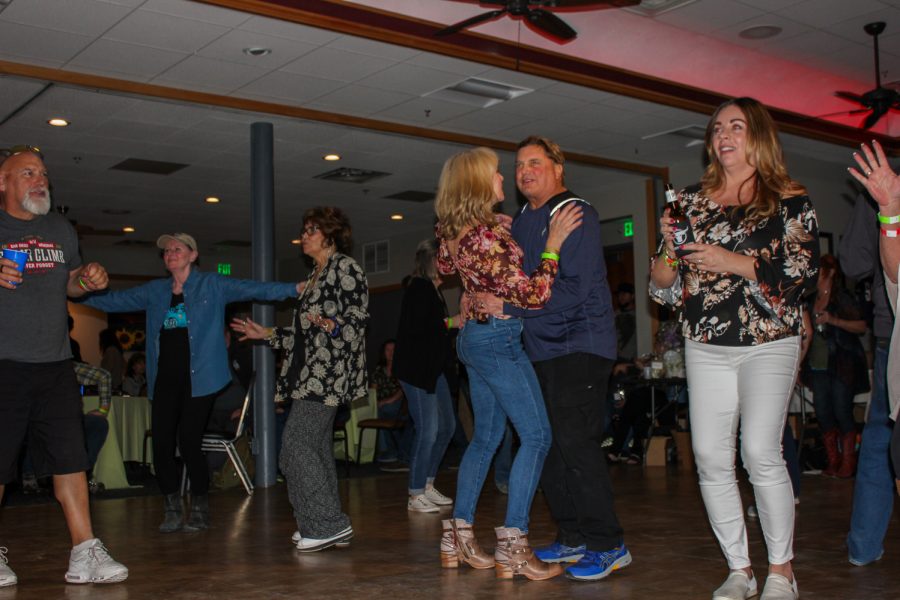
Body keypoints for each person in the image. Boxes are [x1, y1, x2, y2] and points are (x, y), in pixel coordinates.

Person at [650, 97, 819, 600]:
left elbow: (801, 275)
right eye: (718, 128)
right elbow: (661, 285)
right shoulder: (690, 201)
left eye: (737, 126)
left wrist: (733, 261)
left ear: (759, 135)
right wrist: (664, 244)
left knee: (761, 450)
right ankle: (740, 569)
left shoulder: (789, 198)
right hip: (705, 341)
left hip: (769, 339)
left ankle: (782, 572)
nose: (724, 135)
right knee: (708, 455)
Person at [476, 135, 630, 582]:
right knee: (548, 444)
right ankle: (574, 534)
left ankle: (609, 543)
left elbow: (572, 290)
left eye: (535, 163)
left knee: (577, 444)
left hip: (579, 344)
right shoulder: (526, 218)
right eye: (520, 164)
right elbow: (518, 277)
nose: (525, 171)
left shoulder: (574, 212)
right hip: (541, 350)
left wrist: (510, 308)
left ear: (558, 168)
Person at [82, 232, 303, 534]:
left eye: (177, 249)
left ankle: (199, 506)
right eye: (166, 251)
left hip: (200, 380)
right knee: (161, 445)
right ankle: (172, 506)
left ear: (193, 255)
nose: (170, 254)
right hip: (165, 380)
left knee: (188, 442)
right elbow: (114, 300)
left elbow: (253, 287)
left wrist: (294, 288)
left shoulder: (211, 284)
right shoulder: (156, 291)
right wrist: (72, 289)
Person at [434, 146, 582, 581]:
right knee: (536, 436)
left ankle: (457, 536)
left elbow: (446, 263)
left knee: (487, 438)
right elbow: (534, 294)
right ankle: (514, 545)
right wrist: (552, 246)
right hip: (498, 340)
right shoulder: (488, 236)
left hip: (474, 340)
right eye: (497, 173)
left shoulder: (459, 230)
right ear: (479, 184)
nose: (506, 179)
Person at [0, 145, 127, 587]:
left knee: (71, 458)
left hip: (55, 363)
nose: (40, 181)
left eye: (44, 174)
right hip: (4, 362)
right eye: (28, 173)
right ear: (3, 182)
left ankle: (84, 551)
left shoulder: (60, 229)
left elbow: (70, 285)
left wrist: (87, 278)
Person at [233, 206, 368, 553]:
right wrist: (265, 333)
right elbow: (300, 334)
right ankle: (319, 521)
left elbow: (355, 324)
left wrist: (331, 324)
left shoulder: (345, 268)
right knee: (316, 449)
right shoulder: (314, 277)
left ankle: (326, 524)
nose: (304, 236)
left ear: (330, 235)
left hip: (329, 376)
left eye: (311, 230)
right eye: (304, 229)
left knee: (294, 446)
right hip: (307, 375)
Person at [848, 140, 900, 562]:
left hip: (888, 330)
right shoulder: (884, 189)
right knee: (885, 434)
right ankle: (863, 545)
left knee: (881, 435)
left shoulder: (883, 186)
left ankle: (864, 547)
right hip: (893, 328)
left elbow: (853, 263)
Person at [393, 239, 459, 512]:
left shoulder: (433, 291)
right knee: (428, 431)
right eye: (444, 257)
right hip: (416, 370)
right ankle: (415, 492)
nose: (450, 262)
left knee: (447, 427)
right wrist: (454, 321)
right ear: (433, 261)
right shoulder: (418, 288)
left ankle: (428, 484)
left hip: (433, 370)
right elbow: (422, 328)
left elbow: (434, 331)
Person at [806, 254, 867, 478]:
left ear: (830, 272)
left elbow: (861, 326)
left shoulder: (843, 297)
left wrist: (833, 320)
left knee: (842, 410)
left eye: (819, 269)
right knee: (822, 412)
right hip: (817, 364)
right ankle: (833, 461)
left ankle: (848, 462)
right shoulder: (810, 298)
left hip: (842, 363)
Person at [372, 339, 409, 467]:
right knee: (378, 411)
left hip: (399, 402)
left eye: (393, 350)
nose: (391, 353)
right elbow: (373, 390)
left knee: (386, 410)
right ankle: (391, 450)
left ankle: (389, 451)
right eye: (388, 350)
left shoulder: (402, 368)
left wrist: (386, 401)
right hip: (382, 404)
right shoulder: (379, 370)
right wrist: (374, 402)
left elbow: (403, 391)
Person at [99, 328, 125, 393]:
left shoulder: (110, 350)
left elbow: (108, 369)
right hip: (117, 383)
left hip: (112, 385)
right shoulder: (116, 349)